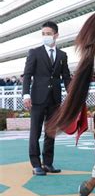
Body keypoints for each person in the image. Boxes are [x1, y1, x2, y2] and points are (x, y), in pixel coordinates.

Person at [22, 21, 71, 176]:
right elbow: (27, 75)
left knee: (50, 132)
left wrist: (72, 94)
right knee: (35, 132)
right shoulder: (34, 53)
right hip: (37, 98)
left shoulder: (63, 55)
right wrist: (26, 94)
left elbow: (66, 77)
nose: (46, 37)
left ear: (56, 35)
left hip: (55, 99)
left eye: (48, 34)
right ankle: (36, 164)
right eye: (43, 34)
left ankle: (48, 163)